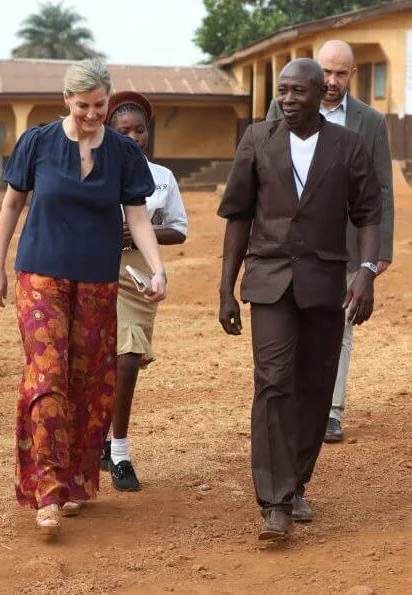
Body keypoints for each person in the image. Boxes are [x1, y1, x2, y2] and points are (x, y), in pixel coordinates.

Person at [0, 59, 167, 537]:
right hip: (40, 274)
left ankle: (72, 482)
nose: (91, 114)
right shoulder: (38, 143)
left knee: (88, 383)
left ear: (109, 101)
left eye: (99, 105)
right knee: (47, 377)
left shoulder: (124, 152)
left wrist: (159, 267)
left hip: (97, 281)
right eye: (83, 105)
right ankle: (46, 491)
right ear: (66, 100)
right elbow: (12, 204)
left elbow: (139, 216)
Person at [218, 58, 381, 540]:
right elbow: (238, 216)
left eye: (297, 93)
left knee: (315, 385)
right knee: (273, 382)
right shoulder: (257, 139)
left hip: (325, 283)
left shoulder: (347, 146)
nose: (287, 101)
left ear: (320, 94)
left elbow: (370, 213)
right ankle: (274, 503)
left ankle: (294, 483)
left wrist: (367, 272)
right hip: (268, 279)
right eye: (282, 92)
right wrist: (225, 288)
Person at [266, 40, 394, 444]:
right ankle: (288, 405)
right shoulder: (281, 108)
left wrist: (377, 256)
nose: (332, 81)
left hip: (348, 245)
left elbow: (381, 189)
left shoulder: (370, 121)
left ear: (353, 74)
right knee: (287, 323)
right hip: (290, 244)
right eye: (326, 72)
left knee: (338, 327)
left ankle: (331, 411)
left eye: (341, 73)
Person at [100, 91, 188, 490]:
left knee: (128, 359)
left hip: (137, 275)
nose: (133, 137)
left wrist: (142, 232)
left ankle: (118, 450)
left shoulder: (162, 178)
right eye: (124, 130)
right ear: (109, 131)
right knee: (99, 361)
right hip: (94, 272)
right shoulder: (95, 170)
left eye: (139, 130)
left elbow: (179, 228)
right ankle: (101, 442)